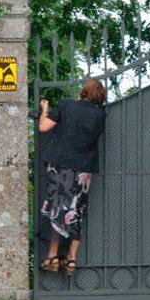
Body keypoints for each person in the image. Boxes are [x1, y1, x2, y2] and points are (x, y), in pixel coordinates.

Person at [38, 78, 106, 275]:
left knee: (57, 208)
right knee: (76, 210)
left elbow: (43, 127)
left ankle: (52, 256)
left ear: (83, 92)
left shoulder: (67, 106)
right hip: (83, 169)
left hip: (61, 165)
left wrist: (45, 109)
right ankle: (71, 260)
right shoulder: (100, 115)